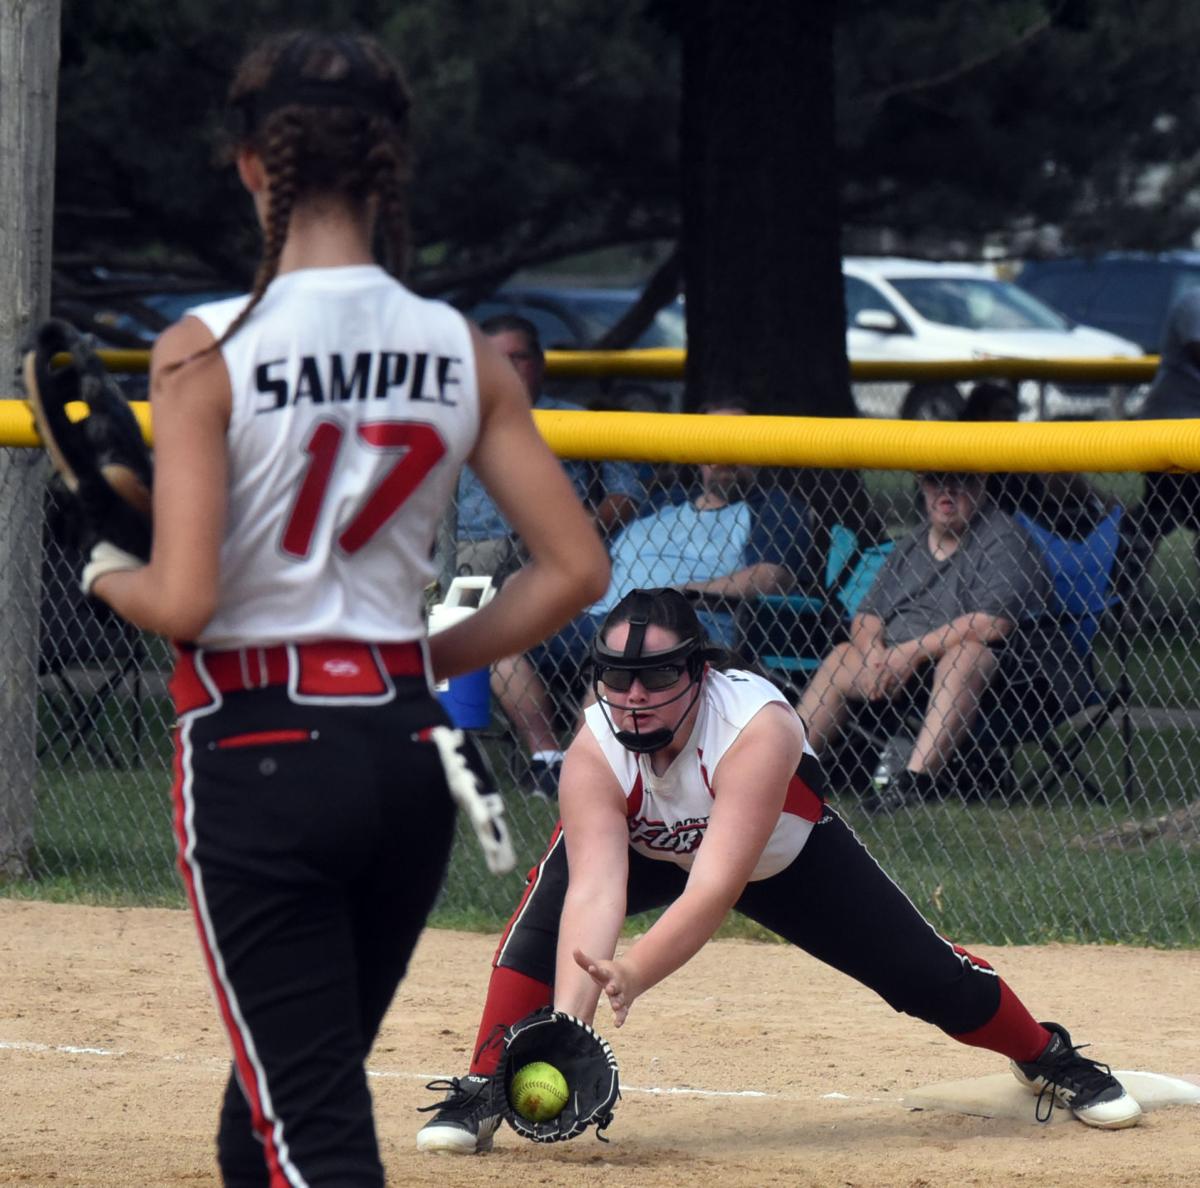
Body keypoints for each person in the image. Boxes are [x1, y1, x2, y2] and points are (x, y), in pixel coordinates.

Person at [80, 31, 609, 1187]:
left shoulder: (203, 345)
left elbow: (184, 598)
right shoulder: (459, 348)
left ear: (250, 166)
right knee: (273, 1104)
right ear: (389, 166)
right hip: (408, 748)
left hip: (259, 744)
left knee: (308, 1123)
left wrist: (100, 565)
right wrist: (421, 655)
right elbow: (574, 570)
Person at [415, 587, 1141, 1154]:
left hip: (777, 856)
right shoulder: (593, 747)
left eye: (657, 676)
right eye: (618, 679)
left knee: (925, 976)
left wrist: (635, 973)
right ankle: (483, 1085)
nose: (633, 698)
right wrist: (569, 1026)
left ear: (700, 672)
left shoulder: (756, 727)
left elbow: (715, 886)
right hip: (640, 847)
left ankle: (1046, 1055)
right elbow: (595, 889)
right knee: (536, 934)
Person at [493, 402, 809, 797]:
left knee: (623, 657)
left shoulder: (775, 508)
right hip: (598, 613)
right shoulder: (660, 502)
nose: (725, 457)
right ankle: (548, 761)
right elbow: (600, 556)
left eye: (738, 444)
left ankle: (580, 772)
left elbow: (770, 575)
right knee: (506, 648)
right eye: (715, 444)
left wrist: (687, 591)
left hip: (686, 623)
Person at [796, 470, 1050, 814]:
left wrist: (909, 654)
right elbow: (866, 616)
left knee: (968, 653)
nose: (946, 491)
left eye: (960, 481)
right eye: (934, 481)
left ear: (982, 484)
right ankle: (782, 768)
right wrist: (875, 657)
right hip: (893, 666)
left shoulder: (1003, 538)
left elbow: (993, 624)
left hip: (987, 678)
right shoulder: (912, 544)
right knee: (843, 655)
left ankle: (914, 782)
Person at [453, 313, 644, 577]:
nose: (508, 367)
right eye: (496, 360)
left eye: (519, 357)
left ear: (540, 363)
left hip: (541, 549)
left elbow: (626, 490)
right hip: (462, 547)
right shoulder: (454, 419)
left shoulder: (578, 420)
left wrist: (595, 524)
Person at [1118, 287, 1200, 617]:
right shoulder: (1193, 300)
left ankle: (1122, 596)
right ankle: (1120, 596)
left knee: (1160, 515)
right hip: (1172, 426)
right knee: (1157, 516)